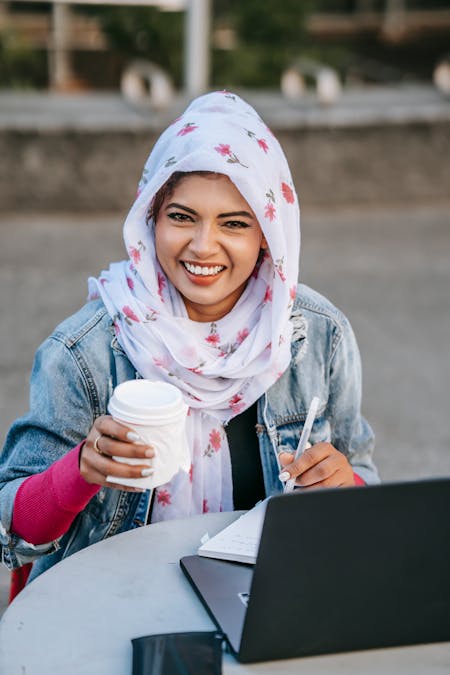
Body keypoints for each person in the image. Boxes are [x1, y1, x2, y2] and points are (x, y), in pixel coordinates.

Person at [0, 91, 378, 595]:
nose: (203, 246)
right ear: (150, 217)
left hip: (265, 600)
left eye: (235, 223)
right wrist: (81, 471)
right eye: (181, 217)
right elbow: (15, 532)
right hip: (108, 605)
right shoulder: (83, 352)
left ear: (269, 234)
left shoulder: (318, 336)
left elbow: (367, 492)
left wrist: (345, 486)